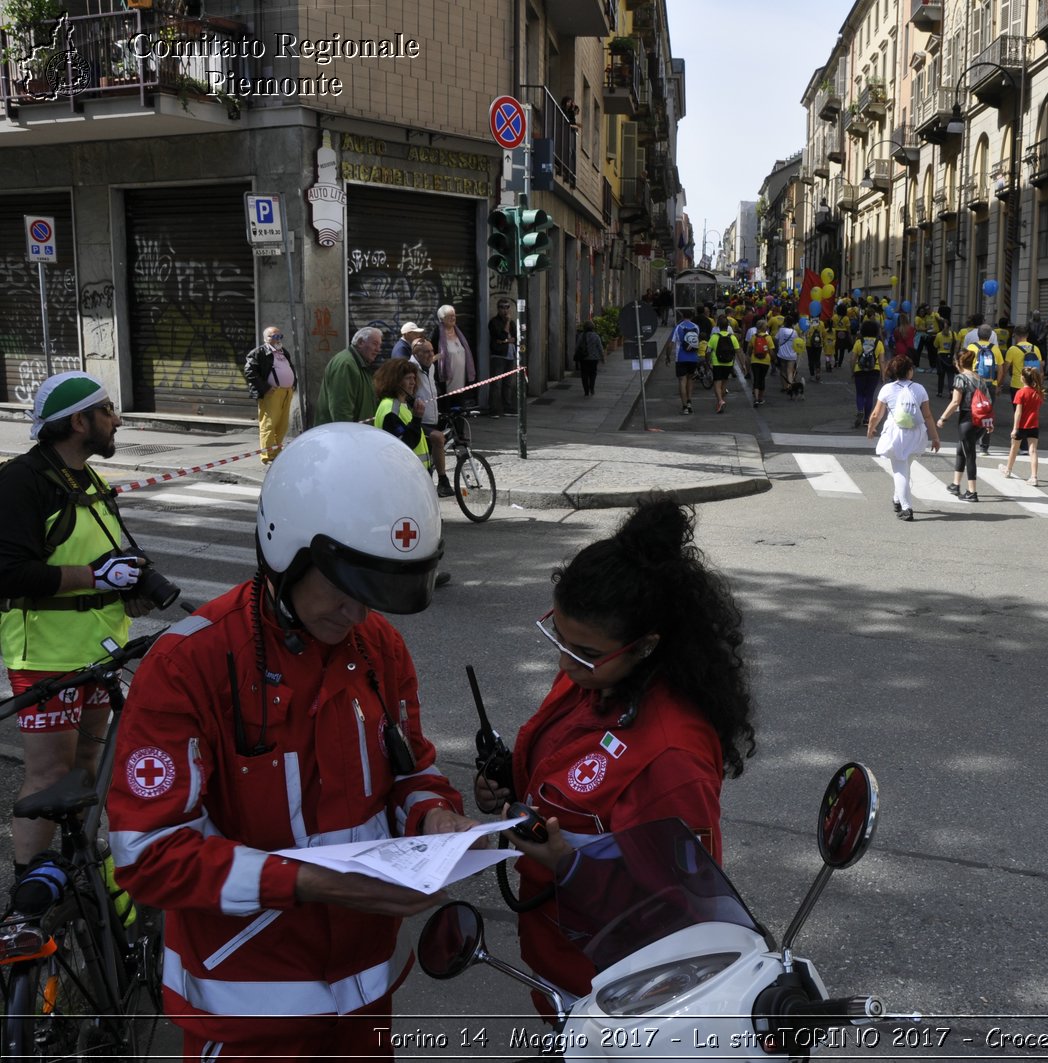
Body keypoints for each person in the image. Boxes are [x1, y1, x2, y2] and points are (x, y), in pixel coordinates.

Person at [105, 424, 476, 1058]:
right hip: (249, 1020)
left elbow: (412, 770)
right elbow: (149, 856)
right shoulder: (188, 665)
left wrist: (433, 813)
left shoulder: (378, 647)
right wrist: (310, 882)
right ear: (284, 551)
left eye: (376, 594)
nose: (359, 615)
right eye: (345, 589)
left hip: (367, 1006)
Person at [475, 499, 757, 1004]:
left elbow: (683, 911)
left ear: (647, 645)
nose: (564, 662)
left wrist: (567, 864)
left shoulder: (672, 757)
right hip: (556, 961)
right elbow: (565, 781)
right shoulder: (593, 680)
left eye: (584, 652)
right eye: (558, 636)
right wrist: (509, 789)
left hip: (608, 997)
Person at [0, 373, 160, 894]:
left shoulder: (86, 478)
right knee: (49, 776)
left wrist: (128, 586)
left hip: (101, 650)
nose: (117, 420)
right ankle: (28, 895)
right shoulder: (22, 481)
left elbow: (102, 554)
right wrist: (96, 577)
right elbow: (8, 572)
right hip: (45, 656)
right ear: (78, 421)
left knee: (88, 768)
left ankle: (76, 869)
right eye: (109, 410)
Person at [867, 355, 940, 522]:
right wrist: (935, 437)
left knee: (900, 470)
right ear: (909, 371)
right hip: (917, 433)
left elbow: (877, 414)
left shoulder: (887, 389)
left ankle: (906, 508)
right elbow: (927, 416)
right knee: (905, 468)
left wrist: (871, 429)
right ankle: (897, 499)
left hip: (897, 433)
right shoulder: (920, 389)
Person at [936, 349, 989, 503]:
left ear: (958, 363)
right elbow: (988, 402)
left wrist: (943, 418)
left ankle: (972, 492)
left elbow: (955, 402)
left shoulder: (960, 378)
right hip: (980, 421)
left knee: (970, 454)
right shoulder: (980, 378)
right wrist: (989, 422)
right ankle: (955, 484)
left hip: (967, 419)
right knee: (962, 449)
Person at [241, 325, 296, 464]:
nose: (278, 339)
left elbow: (290, 367)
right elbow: (249, 371)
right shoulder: (259, 352)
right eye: (274, 336)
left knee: (282, 425)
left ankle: (277, 452)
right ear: (266, 338)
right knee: (269, 424)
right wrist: (265, 388)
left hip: (286, 392)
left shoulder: (283, 351)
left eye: (280, 336)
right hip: (272, 393)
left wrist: (293, 382)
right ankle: (266, 456)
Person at [407, 338, 452, 500]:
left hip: (432, 416)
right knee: (438, 438)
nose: (430, 355)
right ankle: (443, 480)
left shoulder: (430, 366)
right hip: (418, 418)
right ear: (415, 354)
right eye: (426, 352)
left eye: (432, 351)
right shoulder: (410, 368)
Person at [314, 326, 384, 426]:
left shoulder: (359, 364)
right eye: (375, 344)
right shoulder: (346, 364)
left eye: (379, 345)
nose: (378, 350)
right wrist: (347, 434)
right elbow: (341, 408)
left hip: (357, 432)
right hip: (341, 435)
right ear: (360, 342)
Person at [966, 325, 1004, 456]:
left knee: (972, 412)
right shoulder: (995, 350)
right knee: (987, 414)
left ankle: (970, 441)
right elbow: (1000, 369)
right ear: (990, 336)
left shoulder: (971, 348)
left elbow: (966, 367)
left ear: (978, 335)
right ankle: (984, 447)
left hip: (974, 384)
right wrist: (998, 385)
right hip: (990, 385)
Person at [1003, 366, 1045, 485]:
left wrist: (1015, 428)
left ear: (1022, 378)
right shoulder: (1037, 393)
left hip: (1021, 425)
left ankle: (1008, 470)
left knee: (1014, 448)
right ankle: (1034, 476)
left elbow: (1018, 412)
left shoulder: (1020, 393)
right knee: (1033, 451)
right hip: (1034, 425)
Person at [433, 303, 476, 409]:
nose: (453, 318)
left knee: (459, 404)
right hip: (446, 378)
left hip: (460, 377)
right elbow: (433, 354)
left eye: (454, 315)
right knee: (447, 405)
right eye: (449, 316)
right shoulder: (438, 333)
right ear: (442, 319)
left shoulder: (459, 331)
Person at [848, 320, 885, 429]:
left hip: (860, 370)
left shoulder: (859, 342)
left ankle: (860, 410)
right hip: (874, 371)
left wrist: (852, 371)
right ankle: (866, 419)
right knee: (869, 395)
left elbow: (853, 359)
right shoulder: (879, 343)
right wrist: (883, 375)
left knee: (860, 393)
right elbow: (882, 361)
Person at [669, 308, 703, 415]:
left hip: (681, 358)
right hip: (693, 358)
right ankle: (689, 402)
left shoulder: (678, 327)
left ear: (683, 316)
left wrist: (667, 356)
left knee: (682, 382)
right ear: (692, 317)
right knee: (690, 380)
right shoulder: (696, 327)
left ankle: (684, 408)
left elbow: (670, 344)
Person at [488, 299, 518, 415]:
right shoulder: (494, 322)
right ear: (498, 309)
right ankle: (494, 410)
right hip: (499, 356)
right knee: (496, 384)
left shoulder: (513, 323)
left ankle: (507, 407)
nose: (504, 310)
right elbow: (501, 335)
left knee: (508, 383)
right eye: (502, 307)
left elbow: (515, 338)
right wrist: (507, 325)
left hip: (510, 355)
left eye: (507, 307)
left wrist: (505, 341)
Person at [707, 317, 741, 414]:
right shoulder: (732, 337)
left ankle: (720, 401)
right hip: (729, 363)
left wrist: (707, 360)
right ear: (727, 326)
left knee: (717, 384)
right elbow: (738, 351)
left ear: (718, 326)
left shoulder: (714, 336)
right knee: (724, 384)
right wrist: (743, 365)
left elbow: (708, 350)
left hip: (717, 363)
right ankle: (720, 402)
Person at [575, 319, 605, 398]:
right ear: (593, 327)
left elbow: (577, 347)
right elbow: (600, 348)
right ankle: (592, 387)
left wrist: (576, 356)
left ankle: (586, 391)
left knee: (584, 374)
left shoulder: (581, 335)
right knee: (593, 373)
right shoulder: (596, 336)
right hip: (594, 359)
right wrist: (602, 358)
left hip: (584, 358)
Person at [748, 320, 774, 407]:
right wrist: (774, 359)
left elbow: (749, 349)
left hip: (754, 360)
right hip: (765, 361)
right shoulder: (768, 337)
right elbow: (771, 350)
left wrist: (750, 355)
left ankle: (755, 398)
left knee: (756, 378)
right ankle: (760, 398)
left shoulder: (753, 337)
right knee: (762, 379)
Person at [934, 318, 957, 398]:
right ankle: (951, 392)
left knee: (941, 375)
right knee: (950, 375)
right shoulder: (954, 334)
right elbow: (956, 345)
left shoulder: (939, 335)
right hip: (950, 356)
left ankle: (940, 392)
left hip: (941, 356)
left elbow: (935, 345)